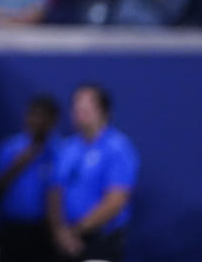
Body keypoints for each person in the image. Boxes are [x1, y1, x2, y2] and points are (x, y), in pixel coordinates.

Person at [48, 84, 139, 262]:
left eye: (87, 107)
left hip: (100, 239)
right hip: (65, 240)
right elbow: (54, 192)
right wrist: (59, 231)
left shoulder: (118, 148)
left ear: (104, 111)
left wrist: (77, 230)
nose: (80, 112)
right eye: (76, 107)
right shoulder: (67, 148)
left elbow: (116, 200)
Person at [0, 95, 60, 262]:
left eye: (43, 116)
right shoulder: (9, 148)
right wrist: (19, 164)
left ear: (53, 120)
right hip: (11, 229)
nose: (37, 120)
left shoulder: (61, 153)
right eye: (33, 115)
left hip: (45, 233)